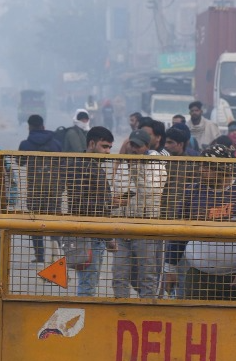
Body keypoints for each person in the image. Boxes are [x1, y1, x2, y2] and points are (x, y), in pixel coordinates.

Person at [162, 141, 236, 299]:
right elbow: (177, 234)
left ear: (222, 168)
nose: (201, 170)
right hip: (199, 276)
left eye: (207, 166)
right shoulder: (191, 193)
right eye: (201, 166)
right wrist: (169, 268)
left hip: (234, 276)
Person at [106, 130, 166, 298]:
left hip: (145, 226)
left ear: (147, 146)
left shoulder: (156, 164)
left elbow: (151, 191)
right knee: (119, 274)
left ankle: (147, 309)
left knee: (147, 273)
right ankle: (121, 308)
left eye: (137, 146)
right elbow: (117, 190)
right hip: (122, 227)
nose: (133, 148)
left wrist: (136, 170)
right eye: (131, 144)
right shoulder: (125, 164)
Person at [63, 126, 115, 295]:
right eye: (104, 146)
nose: (108, 152)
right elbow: (89, 206)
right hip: (91, 235)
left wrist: (109, 201)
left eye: (109, 148)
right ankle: (84, 319)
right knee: (87, 286)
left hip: (86, 233)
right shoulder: (87, 167)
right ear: (92, 143)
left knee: (87, 284)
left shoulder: (82, 163)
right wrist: (108, 238)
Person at [19, 113, 62, 263]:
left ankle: (40, 256)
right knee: (54, 222)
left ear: (29, 127)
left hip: (34, 190)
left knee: (35, 222)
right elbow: (62, 164)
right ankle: (56, 253)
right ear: (43, 126)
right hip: (53, 190)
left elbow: (20, 162)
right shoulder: (55, 143)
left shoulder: (25, 144)